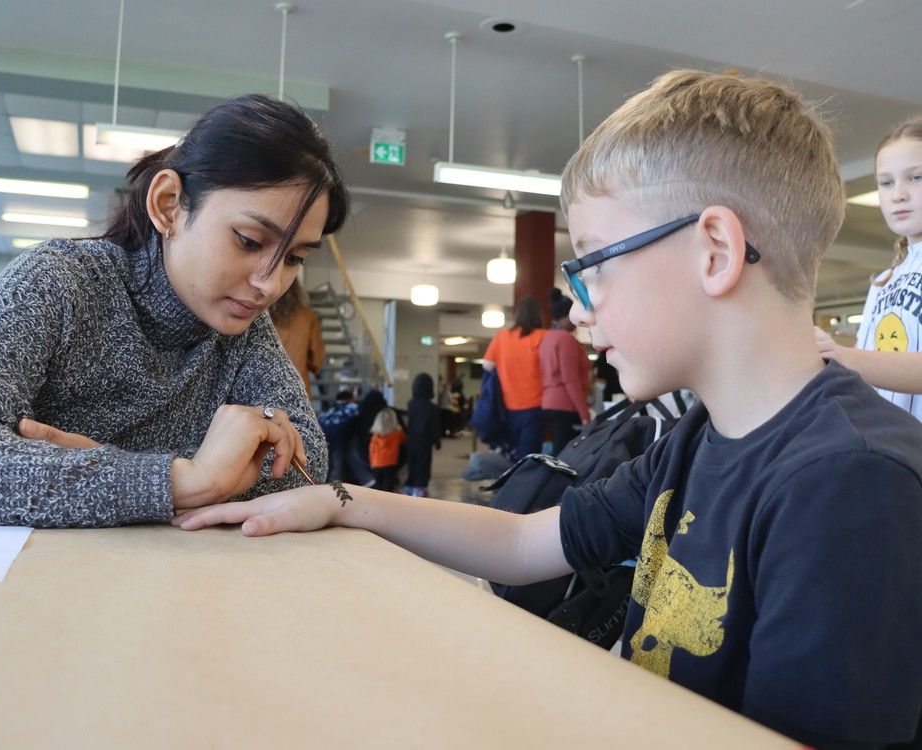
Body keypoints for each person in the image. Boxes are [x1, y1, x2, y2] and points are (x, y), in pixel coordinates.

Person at [173, 70, 922, 747]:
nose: (576, 305)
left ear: (715, 253)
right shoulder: (699, 438)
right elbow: (528, 542)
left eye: (592, 261)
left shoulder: (848, 483)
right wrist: (339, 500)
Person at [0, 94, 349, 527]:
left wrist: (109, 471)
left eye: (295, 258)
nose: (270, 284)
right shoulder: (58, 281)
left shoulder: (244, 328)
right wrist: (187, 480)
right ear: (168, 205)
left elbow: (304, 464)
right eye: (249, 241)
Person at [815, 115, 922, 421]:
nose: (897, 193)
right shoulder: (884, 282)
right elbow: (866, 373)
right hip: (895, 449)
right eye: (886, 182)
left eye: (916, 177)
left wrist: (844, 356)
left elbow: (859, 362)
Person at [482, 297, 547, 457]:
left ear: (518, 315)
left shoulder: (502, 336)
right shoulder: (543, 336)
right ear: (538, 316)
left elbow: (487, 365)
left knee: (513, 455)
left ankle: (513, 481)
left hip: (508, 406)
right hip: (536, 406)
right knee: (529, 457)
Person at [540, 288, 592, 453]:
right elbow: (570, 379)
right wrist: (584, 414)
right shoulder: (566, 340)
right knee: (565, 455)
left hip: (548, 402)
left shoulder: (547, 338)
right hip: (565, 404)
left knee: (557, 451)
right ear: (565, 315)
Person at [269, 279, 325, 399]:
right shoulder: (308, 317)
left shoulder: (262, 315)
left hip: (265, 386)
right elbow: (317, 361)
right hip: (298, 389)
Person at [404, 372, 440, 497]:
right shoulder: (432, 407)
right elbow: (435, 426)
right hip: (425, 442)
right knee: (423, 465)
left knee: (412, 463)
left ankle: (409, 486)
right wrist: (437, 442)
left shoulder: (410, 404)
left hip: (411, 440)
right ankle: (420, 488)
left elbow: (408, 424)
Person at [368, 407, 406, 492]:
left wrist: (372, 463)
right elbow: (405, 439)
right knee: (388, 487)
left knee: (379, 487)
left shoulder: (374, 437)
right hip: (390, 463)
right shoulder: (397, 434)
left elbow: (371, 451)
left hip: (376, 464)